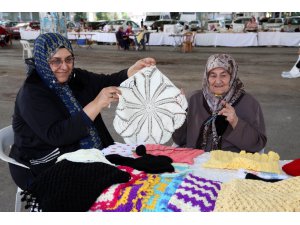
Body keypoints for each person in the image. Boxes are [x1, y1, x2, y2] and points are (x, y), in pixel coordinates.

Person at [9, 32, 156, 190]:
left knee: (139, 177)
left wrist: (131, 71)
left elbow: (106, 81)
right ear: (43, 61)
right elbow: (57, 135)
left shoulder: (75, 77)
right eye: (55, 61)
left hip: (82, 153)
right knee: (105, 189)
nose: (64, 67)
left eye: (68, 59)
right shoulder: (32, 93)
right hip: (43, 163)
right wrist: (97, 104)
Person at [172, 54, 266, 153]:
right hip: (195, 163)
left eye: (223, 75)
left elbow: (257, 145)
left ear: (232, 76)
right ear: (206, 77)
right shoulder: (193, 100)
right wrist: (179, 113)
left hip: (230, 165)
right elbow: (179, 140)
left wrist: (236, 122)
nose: (218, 81)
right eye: (213, 75)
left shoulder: (249, 103)